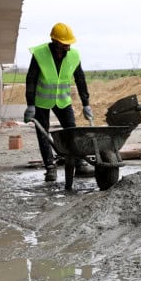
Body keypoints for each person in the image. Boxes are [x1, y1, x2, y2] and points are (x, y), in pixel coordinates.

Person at [23, 22, 93, 182]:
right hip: (42, 101)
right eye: (64, 43)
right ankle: (50, 168)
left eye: (69, 43)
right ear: (55, 41)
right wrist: (30, 104)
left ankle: (79, 164)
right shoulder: (40, 54)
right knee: (43, 133)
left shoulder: (74, 55)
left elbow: (80, 79)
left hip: (63, 100)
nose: (67, 46)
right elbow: (31, 79)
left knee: (72, 131)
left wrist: (86, 104)